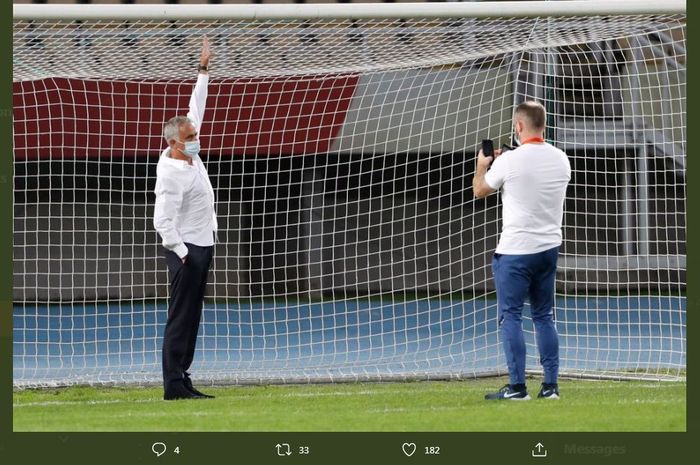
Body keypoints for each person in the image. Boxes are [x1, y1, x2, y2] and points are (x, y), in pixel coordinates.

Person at [473, 100, 571, 401]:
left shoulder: (509, 161)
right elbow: (533, 173)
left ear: (518, 126)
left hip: (516, 251)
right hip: (549, 248)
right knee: (544, 316)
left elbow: (480, 190)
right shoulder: (561, 158)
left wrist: (483, 165)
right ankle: (550, 387)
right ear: (543, 125)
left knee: (510, 316)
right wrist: (508, 160)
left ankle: (517, 387)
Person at [153, 36, 217, 400]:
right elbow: (162, 221)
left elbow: (198, 104)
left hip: (204, 241)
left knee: (193, 317)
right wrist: (182, 253)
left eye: (194, 134)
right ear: (175, 143)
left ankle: (183, 376)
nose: (196, 138)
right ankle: (173, 385)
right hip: (186, 250)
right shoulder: (170, 174)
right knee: (180, 317)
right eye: (190, 137)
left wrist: (203, 68)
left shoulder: (188, 151)